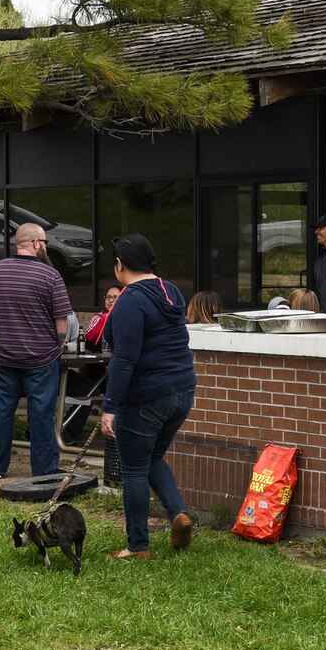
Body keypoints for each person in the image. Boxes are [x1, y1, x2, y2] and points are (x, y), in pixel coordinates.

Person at [100, 234, 197, 561]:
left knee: (135, 470)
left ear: (120, 265)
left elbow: (124, 359)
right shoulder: (172, 291)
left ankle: (137, 546)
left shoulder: (130, 299)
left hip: (147, 395)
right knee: (151, 458)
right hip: (182, 390)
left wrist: (110, 407)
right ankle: (178, 515)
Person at [0, 222, 71, 479]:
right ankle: (44, 469)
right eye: (45, 242)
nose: (46, 247)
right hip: (41, 357)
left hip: (4, 355)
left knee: (2, 411)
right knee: (41, 413)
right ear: (36, 244)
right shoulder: (51, 276)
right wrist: (59, 342)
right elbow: (62, 317)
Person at [83, 285, 122, 350]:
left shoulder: (126, 316)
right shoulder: (98, 316)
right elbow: (89, 337)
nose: (110, 300)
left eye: (115, 297)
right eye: (108, 297)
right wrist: (106, 317)